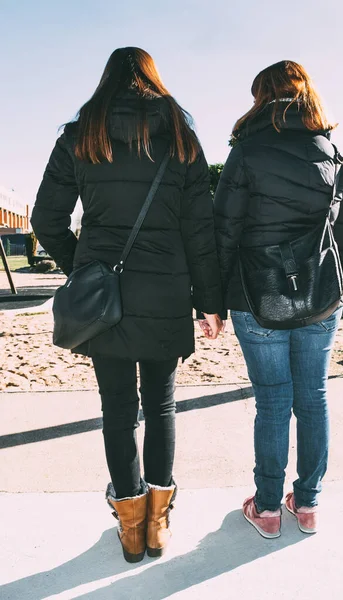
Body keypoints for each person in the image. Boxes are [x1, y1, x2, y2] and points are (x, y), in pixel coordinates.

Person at [31, 47, 224, 562]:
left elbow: (45, 220)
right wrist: (210, 302)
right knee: (160, 405)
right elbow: (199, 230)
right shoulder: (181, 137)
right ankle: (158, 524)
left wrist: (82, 270)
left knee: (116, 410)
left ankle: (131, 528)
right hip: (164, 292)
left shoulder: (81, 135)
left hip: (104, 304)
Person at [214, 60, 343, 538]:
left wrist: (210, 298)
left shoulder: (247, 152)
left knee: (273, 403)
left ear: (261, 98)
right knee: (313, 398)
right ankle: (309, 503)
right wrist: (339, 288)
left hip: (256, 297)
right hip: (322, 296)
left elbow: (224, 231)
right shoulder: (336, 156)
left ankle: (269, 509)